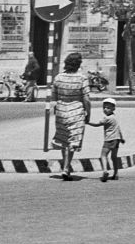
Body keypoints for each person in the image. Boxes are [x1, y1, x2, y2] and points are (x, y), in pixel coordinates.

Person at [51, 51, 92, 180]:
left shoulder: (58, 78)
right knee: (73, 142)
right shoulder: (82, 78)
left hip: (61, 112)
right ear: (78, 64)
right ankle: (67, 167)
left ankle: (65, 166)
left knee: (64, 141)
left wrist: (57, 111)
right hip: (76, 113)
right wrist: (88, 114)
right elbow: (86, 99)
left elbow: (53, 98)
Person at [86, 97, 124, 181]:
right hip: (116, 139)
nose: (105, 109)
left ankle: (105, 171)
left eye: (108, 108)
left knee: (103, 155)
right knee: (114, 157)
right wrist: (121, 138)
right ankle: (116, 173)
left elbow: (97, 124)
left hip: (109, 139)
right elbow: (118, 128)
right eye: (104, 107)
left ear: (113, 108)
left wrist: (88, 122)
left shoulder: (107, 118)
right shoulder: (115, 117)